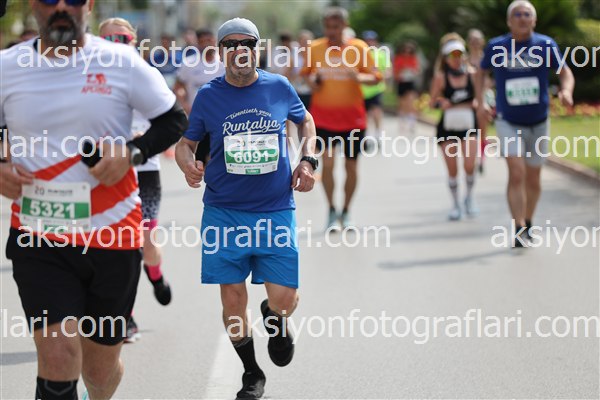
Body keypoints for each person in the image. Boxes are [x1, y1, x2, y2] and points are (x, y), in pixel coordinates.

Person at [0, 1, 187, 398]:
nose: (61, 6)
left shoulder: (122, 62)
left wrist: (132, 153)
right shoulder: (8, 67)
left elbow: (174, 120)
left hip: (113, 237)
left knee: (100, 372)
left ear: (88, 5)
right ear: (34, 5)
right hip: (40, 235)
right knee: (58, 356)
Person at [174, 18, 317, 399]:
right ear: (221, 52)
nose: (240, 50)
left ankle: (274, 317)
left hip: (275, 208)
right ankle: (251, 372)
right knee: (233, 299)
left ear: (257, 48)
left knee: (285, 298)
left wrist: (307, 160)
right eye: (231, 44)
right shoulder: (208, 96)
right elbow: (186, 144)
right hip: (224, 209)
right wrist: (187, 164)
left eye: (247, 44)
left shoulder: (278, 86)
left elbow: (306, 122)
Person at [476, 0, 575, 247]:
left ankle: (528, 221)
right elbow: (480, 72)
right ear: (509, 21)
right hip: (508, 121)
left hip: (538, 121)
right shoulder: (497, 47)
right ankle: (518, 227)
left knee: (533, 177)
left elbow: (565, 71)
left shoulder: (545, 45)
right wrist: (480, 101)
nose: (522, 18)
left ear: (534, 20)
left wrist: (566, 90)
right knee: (517, 172)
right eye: (517, 14)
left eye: (527, 14)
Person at [99, 17, 173, 343]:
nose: (115, 45)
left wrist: (146, 141)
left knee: (146, 243)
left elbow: (173, 122)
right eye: (108, 39)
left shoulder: (147, 75)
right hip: (105, 171)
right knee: (116, 248)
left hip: (143, 171)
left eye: (122, 39)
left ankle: (155, 274)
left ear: (133, 42)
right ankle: (125, 316)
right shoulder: (85, 78)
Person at [301, 7, 381, 230]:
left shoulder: (359, 48)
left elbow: (376, 77)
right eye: (328, 27)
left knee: (351, 167)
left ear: (345, 26)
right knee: (327, 163)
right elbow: (306, 74)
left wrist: (359, 77)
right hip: (323, 119)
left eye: (336, 27)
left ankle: (346, 211)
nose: (331, 31)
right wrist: (313, 83)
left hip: (353, 120)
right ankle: (331, 210)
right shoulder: (315, 48)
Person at [429, 34, 479, 221]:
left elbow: (480, 98)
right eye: (452, 55)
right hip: (448, 127)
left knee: (469, 165)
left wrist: (476, 103)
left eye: (459, 54)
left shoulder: (472, 74)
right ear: (446, 58)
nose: (456, 58)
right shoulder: (441, 77)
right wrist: (442, 103)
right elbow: (432, 102)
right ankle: (456, 204)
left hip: (469, 125)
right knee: (452, 169)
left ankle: (469, 198)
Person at [174, 28, 225, 165]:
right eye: (203, 41)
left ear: (215, 41)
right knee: (201, 157)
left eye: (210, 40)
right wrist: (185, 105)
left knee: (219, 156)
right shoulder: (189, 63)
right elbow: (178, 86)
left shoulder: (224, 63)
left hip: (221, 116)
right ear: (198, 43)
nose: (207, 44)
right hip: (199, 117)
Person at [467, 28, 493, 174]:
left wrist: (481, 98)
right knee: (470, 131)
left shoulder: (487, 59)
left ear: (482, 42)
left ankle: (482, 159)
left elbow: (490, 80)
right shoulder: (465, 60)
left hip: (484, 97)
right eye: (473, 40)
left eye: (478, 40)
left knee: (482, 130)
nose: (475, 43)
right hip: (468, 98)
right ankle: (470, 157)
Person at [360, 30, 392, 144]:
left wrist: (383, 77)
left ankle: (378, 133)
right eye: (367, 40)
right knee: (364, 114)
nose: (370, 42)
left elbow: (388, 70)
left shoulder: (381, 54)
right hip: (362, 90)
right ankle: (366, 134)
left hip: (377, 88)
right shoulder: (360, 54)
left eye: (372, 40)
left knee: (376, 111)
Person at [393, 41, 420, 133]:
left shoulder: (413, 59)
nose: (407, 53)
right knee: (402, 104)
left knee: (411, 102)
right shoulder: (399, 58)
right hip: (401, 82)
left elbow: (416, 70)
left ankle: (412, 122)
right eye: (405, 51)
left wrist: (411, 70)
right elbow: (396, 71)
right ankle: (402, 121)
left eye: (409, 51)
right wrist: (402, 70)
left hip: (410, 82)